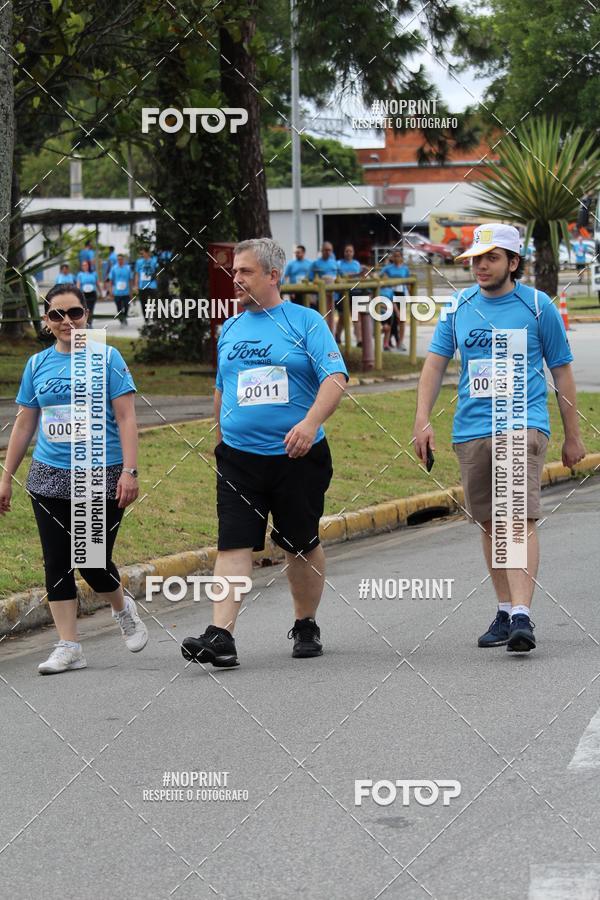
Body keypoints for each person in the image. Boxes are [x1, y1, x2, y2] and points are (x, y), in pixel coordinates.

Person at [412, 223, 586, 653]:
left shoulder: (537, 306)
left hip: (520, 423)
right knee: (490, 521)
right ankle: (506, 610)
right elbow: (434, 366)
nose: (480, 266)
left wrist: (573, 436)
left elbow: (561, 370)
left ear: (513, 262)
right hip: (471, 429)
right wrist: (421, 420)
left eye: (491, 258)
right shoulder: (459, 306)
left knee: (515, 518)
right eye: (475, 259)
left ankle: (523, 614)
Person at [182, 238, 349, 669]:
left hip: (298, 456)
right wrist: (219, 437)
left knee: (299, 543)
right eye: (234, 272)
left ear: (273, 276)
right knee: (233, 543)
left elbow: (335, 377)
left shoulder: (305, 322)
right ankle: (221, 635)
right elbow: (223, 387)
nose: (235, 279)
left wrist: (310, 424)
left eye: (245, 272)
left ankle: (306, 622)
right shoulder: (231, 329)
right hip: (239, 458)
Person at [0, 284, 147, 675]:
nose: (67, 322)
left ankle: (122, 608)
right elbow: (24, 422)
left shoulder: (108, 358)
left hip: (101, 473)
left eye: (75, 313)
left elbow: (127, 418)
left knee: (92, 562)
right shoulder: (36, 365)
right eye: (56, 315)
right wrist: (6, 476)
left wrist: (130, 471)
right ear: (46, 322)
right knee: (57, 563)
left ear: (87, 315)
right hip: (48, 475)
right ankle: (69, 646)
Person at [380, 249, 410, 351]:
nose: (397, 258)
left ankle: (400, 342)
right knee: (392, 318)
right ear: (392, 257)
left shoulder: (405, 269)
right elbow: (380, 277)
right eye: (395, 256)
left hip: (401, 294)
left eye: (399, 256)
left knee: (401, 319)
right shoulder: (387, 268)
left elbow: (409, 283)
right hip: (390, 294)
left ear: (402, 257)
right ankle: (390, 341)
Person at [335, 243, 363, 344]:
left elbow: (360, 277)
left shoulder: (356, 264)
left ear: (353, 253)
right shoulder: (339, 263)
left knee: (356, 316)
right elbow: (342, 276)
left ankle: (359, 339)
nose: (348, 253)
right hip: (343, 293)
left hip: (355, 292)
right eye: (347, 251)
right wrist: (356, 275)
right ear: (344, 252)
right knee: (342, 317)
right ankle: (337, 335)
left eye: (350, 251)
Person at [107, 253, 133, 325]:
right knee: (119, 307)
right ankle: (122, 319)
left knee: (127, 306)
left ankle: (124, 316)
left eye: (121, 259)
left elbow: (130, 280)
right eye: (118, 259)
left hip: (126, 292)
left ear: (123, 260)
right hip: (117, 292)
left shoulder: (127, 268)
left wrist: (131, 291)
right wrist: (110, 291)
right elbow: (111, 281)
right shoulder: (114, 268)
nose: (120, 261)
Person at [134, 247, 158, 320]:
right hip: (142, 286)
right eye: (141, 253)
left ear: (147, 253)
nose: (141, 255)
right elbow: (137, 274)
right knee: (143, 303)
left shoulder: (154, 261)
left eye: (143, 253)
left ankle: (154, 317)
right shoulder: (139, 262)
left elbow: (157, 273)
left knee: (153, 303)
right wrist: (136, 286)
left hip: (152, 285)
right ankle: (146, 318)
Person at [76, 259, 100, 325]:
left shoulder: (94, 273)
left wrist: (101, 293)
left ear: (89, 265)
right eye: (83, 265)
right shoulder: (80, 274)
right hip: (84, 294)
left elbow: (97, 283)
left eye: (85, 265)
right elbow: (78, 284)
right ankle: (86, 322)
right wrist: (77, 293)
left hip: (92, 294)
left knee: (91, 309)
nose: (84, 266)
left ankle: (90, 323)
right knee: (85, 309)